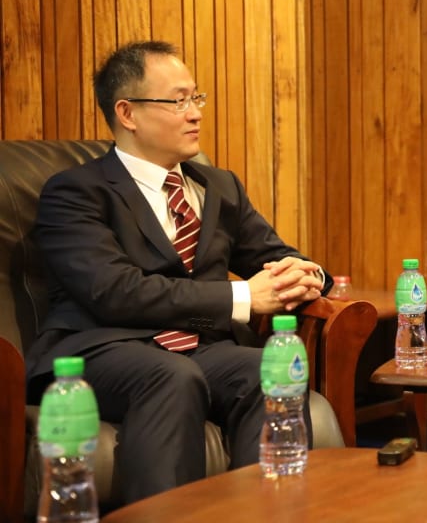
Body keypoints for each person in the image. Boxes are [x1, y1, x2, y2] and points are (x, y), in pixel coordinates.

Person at [24, 41, 331, 505]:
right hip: (105, 348)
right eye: (178, 100)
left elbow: (275, 254)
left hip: (199, 349)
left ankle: (265, 514)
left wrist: (308, 275)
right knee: (171, 376)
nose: (195, 114)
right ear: (127, 113)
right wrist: (244, 299)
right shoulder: (76, 192)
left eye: (197, 98)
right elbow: (114, 291)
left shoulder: (218, 186)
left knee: (262, 369)